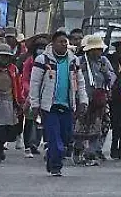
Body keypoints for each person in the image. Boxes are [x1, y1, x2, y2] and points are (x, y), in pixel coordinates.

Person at [28, 31, 88, 176]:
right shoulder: (43, 60)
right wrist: (34, 103)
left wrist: (83, 101)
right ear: (53, 43)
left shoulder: (73, 60)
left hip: (67, 105)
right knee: (55, 139)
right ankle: (56, 166)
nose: (64, 44)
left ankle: (51, 158)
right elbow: (35, 83)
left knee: (66, 138)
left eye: (65, 42)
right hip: (49, 106)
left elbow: (80, 82)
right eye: (60, 41)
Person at [74, 35, 114, 165]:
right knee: (80, 127)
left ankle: (91, 153)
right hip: (82, 98)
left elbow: (112, 78)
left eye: (99, 49)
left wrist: (106, 73)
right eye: (95, 49)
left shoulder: (104, 61)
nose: (98, 52)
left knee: (96, 127)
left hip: (99, 99)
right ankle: (78, 150)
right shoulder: (79, 61)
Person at [19, 34, 49, 157]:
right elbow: (25, 79)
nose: (40, 49)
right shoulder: (29, 61)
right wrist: (31, 91)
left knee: (44, 121)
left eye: (43, 47)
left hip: (46, 94)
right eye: (39, 47)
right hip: (31, 95)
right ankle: (27, 146)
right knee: (30, 121)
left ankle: (37, 144)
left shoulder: (49, 61)